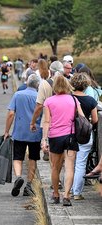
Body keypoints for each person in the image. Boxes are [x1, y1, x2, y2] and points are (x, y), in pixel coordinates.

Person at [41, 75, 82, 207]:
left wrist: (44, 139)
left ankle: (56, 195)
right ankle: (67, 196)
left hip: (55, 137)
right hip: (70, 136)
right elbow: (81, 117)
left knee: (55, 167)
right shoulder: (74, 100)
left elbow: (47, 121)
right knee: (69, 167)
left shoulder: (48, 101)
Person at [4, 74, 42, 197]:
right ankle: (29, 185)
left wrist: (6, 131)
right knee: (33, 158)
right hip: (35, 133)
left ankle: (19, 177)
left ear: (26, 82)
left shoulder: (17, 95)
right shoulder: (40, 97)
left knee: (18, 157)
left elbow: (11, 114)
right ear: (38, 85)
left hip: (19, 132)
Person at [71, 73, 98, 200]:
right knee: (81, 164)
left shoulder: (69, 98)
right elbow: (95, 120)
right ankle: (77, 193)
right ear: (86, 85)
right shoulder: (91, 100)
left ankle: (68, 189)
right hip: (85, 135)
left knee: (70, 164)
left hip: (70, 133)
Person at [30, 60, 64, 162]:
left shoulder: (44, 84)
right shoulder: (66, 83)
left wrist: (33, 122)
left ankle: (47, 151)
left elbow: (39, 106)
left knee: (53, 160)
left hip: (48, 122)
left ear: (50, 71)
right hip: (63, 122)